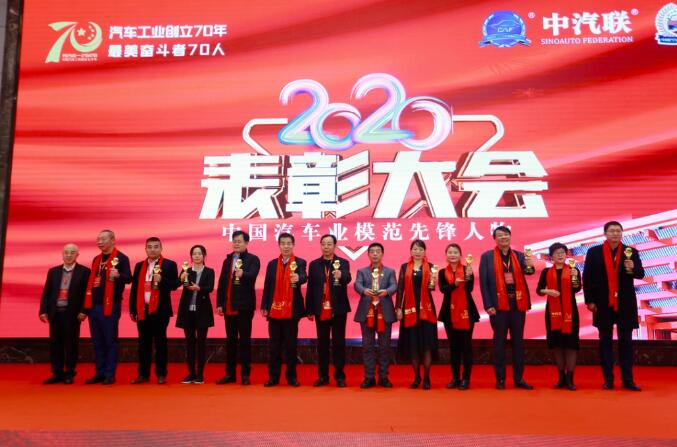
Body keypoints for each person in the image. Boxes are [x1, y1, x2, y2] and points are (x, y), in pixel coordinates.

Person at [583, 221, 644, 391]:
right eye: (612, 231)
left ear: (622, 233)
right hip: (602, 303)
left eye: (618, 231)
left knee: (626, 342)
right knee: (605, 341)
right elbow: (587, 278)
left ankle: (628, 379)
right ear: (605, 233)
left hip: (625, 303)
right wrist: (589, 301)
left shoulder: (631, 252)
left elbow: (640, 274)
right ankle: (608, 379)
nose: (615, 234)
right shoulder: (594, 252)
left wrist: (632, 268)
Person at [479, 226, 535, 390]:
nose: (504, 237)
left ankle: (519, 378)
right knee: (499, 343)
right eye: (500, 235)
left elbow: (529, 271)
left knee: (518, 342)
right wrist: (488, 304)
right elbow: (483, 283)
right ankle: (500, 378)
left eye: (506, 235)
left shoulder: (518, 255)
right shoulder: (487, 257)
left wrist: (530, 265)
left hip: (517, 304)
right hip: (498, 306)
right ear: (495, 239)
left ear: (510, 237)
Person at [83, 230, 132, 385]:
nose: (99, 242)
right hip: (94, 306)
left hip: (111, 306)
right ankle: (99, 373)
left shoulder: (121, 258)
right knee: (97, 342)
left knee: (110, 341)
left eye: (103, 239)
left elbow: (129, 278)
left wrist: (118, 275)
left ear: (112, 240)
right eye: (98, 239)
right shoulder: (96, 259)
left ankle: (109, 374)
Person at [129, 237, 180, 384]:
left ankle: (161, 374)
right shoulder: (139, 266)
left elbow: (175, 285)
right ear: (145, 249)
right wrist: (132, 309)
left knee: (160, 343)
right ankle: (143, 374)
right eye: (150, 247)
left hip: (160, 311)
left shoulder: (169, 264)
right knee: (143, 344)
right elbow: (134, 289)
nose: (152, 249)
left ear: (161, 248)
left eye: (156, 247)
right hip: (142, 309)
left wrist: (162, 279)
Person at [39, 243, 90, 384]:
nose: (68, 255)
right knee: (55, 345)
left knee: (71, 345)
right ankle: (57, 373)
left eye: (72, 252)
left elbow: (87, 294)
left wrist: (83, 311)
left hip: (73, 314)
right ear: (62, 254)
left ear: (77, 255)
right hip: (55, 313)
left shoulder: (84, 272)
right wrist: (43, 311)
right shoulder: (53, 271)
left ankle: (70, 373)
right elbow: (46, 293)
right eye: (66, 252)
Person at [261, 233, 307, 387]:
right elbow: (267, 286)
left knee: (290, 346)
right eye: (283, 243)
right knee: (274, 346)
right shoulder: (272, 264)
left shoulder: (300, 262)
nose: (286, 246)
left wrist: (298, 278)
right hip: (274, 310)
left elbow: (304, 276)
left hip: (291, 310)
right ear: (279, 245)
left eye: (289, 243)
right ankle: (273, 377)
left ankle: (291, 377)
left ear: (293, 245)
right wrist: (264, 306)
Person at [306, 234, 352, 387]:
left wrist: (341, 275)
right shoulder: (314, 264)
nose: (326, 247)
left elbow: (348, 278)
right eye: (323, 244)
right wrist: (309, 309)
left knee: (339, 343)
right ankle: (323, 376)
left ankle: (340, 376)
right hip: (320, 309)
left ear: (335, 246)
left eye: (329, 244)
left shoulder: (343, 262)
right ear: (321, 245)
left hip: (338, 309)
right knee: (322, 344)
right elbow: (311, 288)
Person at [216, 230, 260, 386]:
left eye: (239, 241)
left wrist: (243, 274)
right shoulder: (227, 260)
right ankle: (230, 374)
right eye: (234, 241)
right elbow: (222, 283)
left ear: (246, 243)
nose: (236, 244)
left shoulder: (253, 259)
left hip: (244, 307)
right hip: (229, 306)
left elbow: (253, 275)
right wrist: (220, 303)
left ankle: (245, 375)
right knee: (230, 341)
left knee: (245, 341)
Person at [537, 242, 582, 391]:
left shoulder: (573, 270)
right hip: (552, 311)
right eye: (557, 253)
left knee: (570, 344)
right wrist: (548, 291)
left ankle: (570, 378)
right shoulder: (546, 272)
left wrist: (575, 278)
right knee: (556, 344)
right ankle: (561, 376)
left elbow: (577, 288)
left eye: (562, 252)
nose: (560, 255)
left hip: (570, 311)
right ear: (552, 256)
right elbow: (539, 290)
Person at [395, 240, 439, 390]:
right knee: (413, 345)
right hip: (409, 309)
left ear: (425, 251)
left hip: (426, 310)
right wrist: (398, 308)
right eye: (415, 249)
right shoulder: (404, 267)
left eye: (420, 249)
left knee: (426, 346)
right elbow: (400, 289)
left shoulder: (431, 267)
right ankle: (416, 377)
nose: (417, 252)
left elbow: (431, 289)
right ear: (411, 251)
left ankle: (426, 377)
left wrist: (432, 281)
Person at [354, 242, 398, 389]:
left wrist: (387, 291)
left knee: (385, 346)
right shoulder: (362, 271)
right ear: (368, 254)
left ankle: (384, 376)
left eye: (378, 251)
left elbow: (394, 285)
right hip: (367, 313)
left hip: (385, 312)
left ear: (382, 254)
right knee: (367, 346)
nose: (375, 254)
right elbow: (357, 284)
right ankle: (369, 377)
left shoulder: (390, 271)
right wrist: (363, 290)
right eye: (372, 251)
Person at [438, 243, 479, 390]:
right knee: (454, 347)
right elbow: (443, 290)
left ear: (460, 255)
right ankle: (455, 377)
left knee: (466, 347)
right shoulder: (442, 272)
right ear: (446, 255)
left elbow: (470, 289)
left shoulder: (467, 269)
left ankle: (466, 378)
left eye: (455, 252)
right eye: (450, 252)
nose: (452, 255)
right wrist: (454, 284)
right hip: (449, 313)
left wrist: (469, 276)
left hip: (467, 312)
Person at [176, 245, 215, 384]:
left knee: (201, 344)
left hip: (202, 311)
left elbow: (210, 288)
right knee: (190, 343)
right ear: (191, 256)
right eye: (194, 254)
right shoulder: (186, 270)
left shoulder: (209, 271)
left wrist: (199, 288)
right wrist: (181, 278)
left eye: (199, 253)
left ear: (204, 255)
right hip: (187, 312)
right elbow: (176, 284)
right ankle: (191, 373)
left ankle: (200, 374)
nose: (197, 256)